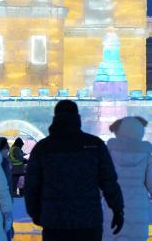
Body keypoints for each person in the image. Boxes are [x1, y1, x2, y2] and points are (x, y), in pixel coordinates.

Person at [24, 100, 124, 241]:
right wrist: (117, 209)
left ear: (55, 118)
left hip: (55, 223)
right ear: (77, 118)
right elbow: (109, 182)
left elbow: (32, 186)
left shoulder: (43, 148)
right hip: (88, 221)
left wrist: (36, 214)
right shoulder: (94, 145)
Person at [104, 116, 152, 240]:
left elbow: (100, 182)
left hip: (113, 205)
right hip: (138, 207)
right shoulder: (146, 155)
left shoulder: (109, 153)